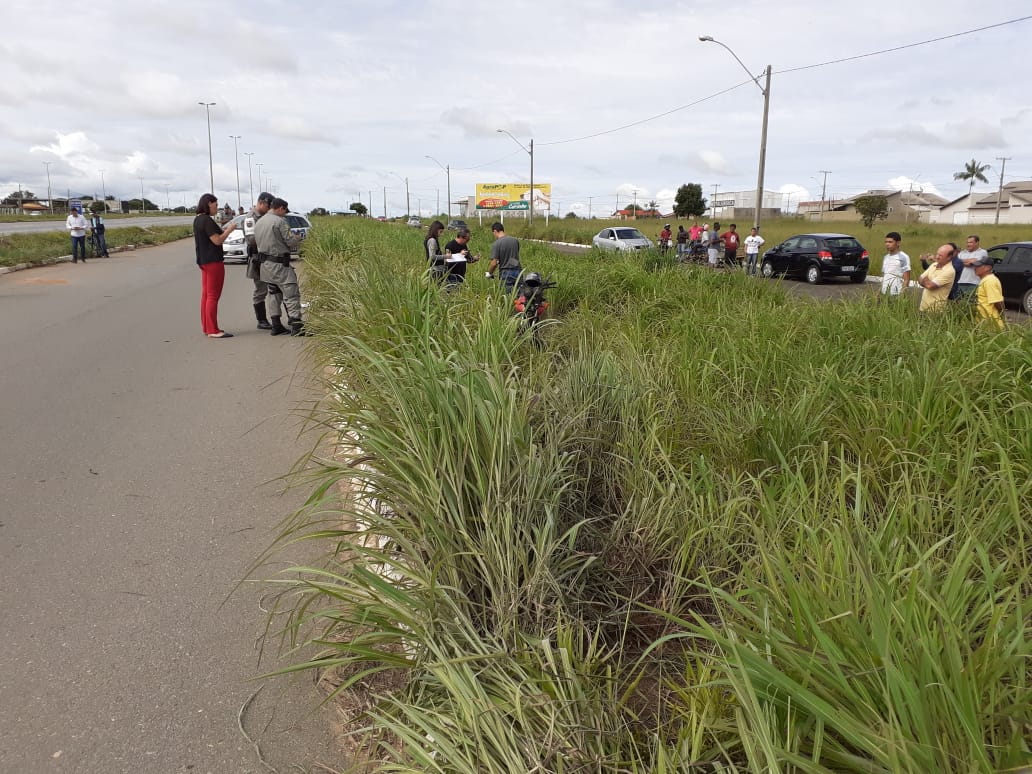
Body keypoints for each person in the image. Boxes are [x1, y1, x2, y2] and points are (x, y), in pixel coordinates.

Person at [255, 197, 304, 336]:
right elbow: (290, 241)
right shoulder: (279, 221)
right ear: (280, 208)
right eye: (285, 211)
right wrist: (298, 238)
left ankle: (276, 325)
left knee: (274, 294)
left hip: (266, 266)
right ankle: (297, 326)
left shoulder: (260, 221)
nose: (285, 214)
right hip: (280, 265)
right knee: (291, 293)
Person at [192, 193, 237, 338]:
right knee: (212, 296)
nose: (217, 208)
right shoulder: (206, 220)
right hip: (213, 261)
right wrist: (229, 230)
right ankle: (213, 330)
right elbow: (217, 240)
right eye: (215, 205)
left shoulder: (198, 219)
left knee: (206, 295)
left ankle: (207, 327)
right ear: (208, 204)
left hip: (204, 261)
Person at [245, 192, 274, 330]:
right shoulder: (251, 217)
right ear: (261, 202)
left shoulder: (265, 217)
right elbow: (251, 240)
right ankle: (261, 320)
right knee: (261, 290)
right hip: (258, 258)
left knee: (274, 288)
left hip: (267, 257)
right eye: (268, 206)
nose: (269, 209)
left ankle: (271, 318)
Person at [917, 243, 956, 312]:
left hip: (936, 311)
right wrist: (927, 281)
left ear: (949, 257)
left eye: (940, 255)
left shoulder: (949, 271)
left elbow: (930, 286)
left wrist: (925, 280)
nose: (937, 257)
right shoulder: (934, 265)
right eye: (937, 254)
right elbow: (919, 278)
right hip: (923, 307)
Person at [971, 253, 1005, 329]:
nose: (975, 268)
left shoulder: (990, 281)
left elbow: (998, 302)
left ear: (988, 268)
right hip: (985, 323)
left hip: (991, 324)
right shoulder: (986, 280)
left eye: (979, 266)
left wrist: (1002, 315)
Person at [487, 222, 522, 292]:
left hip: (506, 273)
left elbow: (494, 263)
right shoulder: (515, 240)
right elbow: (513, 257)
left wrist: (489, 273)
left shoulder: (497, 243)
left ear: (495, 231)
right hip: (518, 271)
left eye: (493, 233)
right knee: (520, 296)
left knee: (507, 296)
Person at [953, 234, 988, 299]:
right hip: (960, 282)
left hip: (974, 283)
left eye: (971, 242)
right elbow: (956, 263)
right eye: (967, 242)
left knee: (971, 303)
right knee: (958, 304)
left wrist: (962, 261)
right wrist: (970, 260)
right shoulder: (963, 252)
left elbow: (974, 263)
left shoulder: (982, 252)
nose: (968, 244)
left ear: (977, 242)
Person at [880, 231, 911, 296]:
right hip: (884, 293)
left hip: (896, 294)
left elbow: (906, 279)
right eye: (886, 242)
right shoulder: (885, 257)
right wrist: (879, 292)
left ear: (898, 243)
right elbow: (884, 276)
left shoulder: (904, 257)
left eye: (890, 242)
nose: (887, 244)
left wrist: (902, 295)